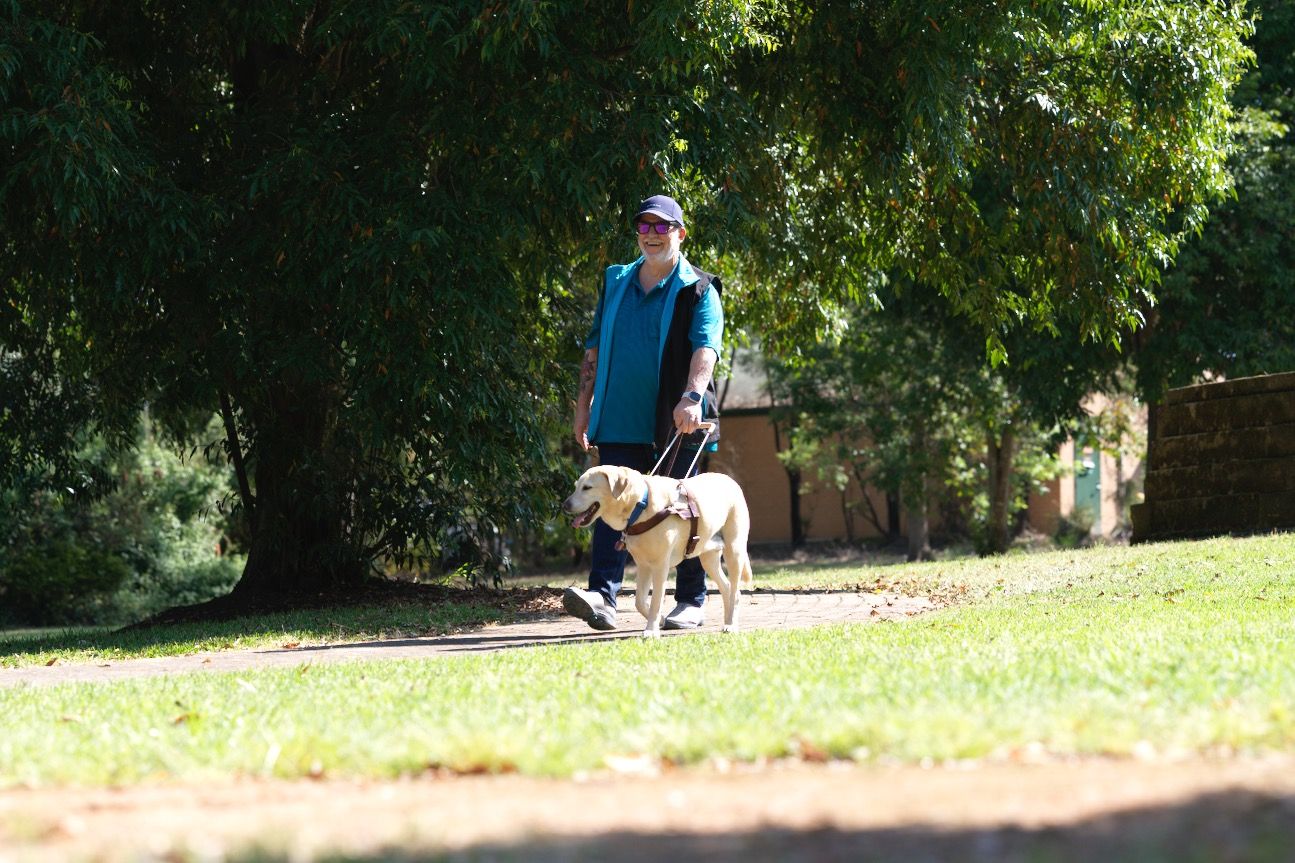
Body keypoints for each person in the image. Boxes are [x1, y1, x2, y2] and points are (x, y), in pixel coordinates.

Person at [563, 194, 724, 631]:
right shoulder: (616, 279)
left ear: (680, 233)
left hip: (676, 420)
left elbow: (705, 349)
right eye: (645, 226)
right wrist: (583, 408)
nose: (652, 235)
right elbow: (593, 346)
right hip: (618, 415)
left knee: (684, 505)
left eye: (662, 227)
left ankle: (691, 600)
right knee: (608, 500)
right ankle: (603, 597)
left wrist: (692, 397)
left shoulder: (700, 289)